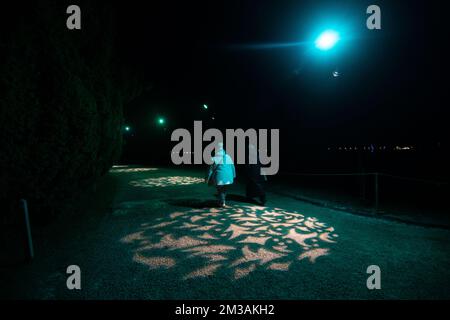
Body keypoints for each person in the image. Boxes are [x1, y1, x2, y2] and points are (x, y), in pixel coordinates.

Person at [206, 143, 236, 207]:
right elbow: (232, 167)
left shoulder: (214, 158)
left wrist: (207, 178)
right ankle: (222, 201)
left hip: (220, 178)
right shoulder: (228, 156)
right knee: (224, 189)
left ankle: (222, 202)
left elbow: (210, 170)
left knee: (220, 190)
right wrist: (234, 175)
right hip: (228, 178)